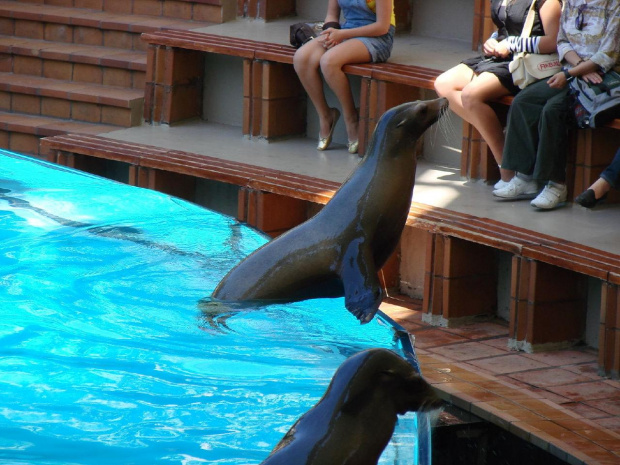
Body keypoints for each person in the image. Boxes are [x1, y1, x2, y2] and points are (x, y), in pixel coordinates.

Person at [494, 0, 620, 209]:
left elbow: (608, 54)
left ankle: (555, 184)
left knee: (553, 110)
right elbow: (562, 41)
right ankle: (525, 177)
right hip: (574, 70)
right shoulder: (572, 2)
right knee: (524, 100)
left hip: (603, 75)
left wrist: (573, 72)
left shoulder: (614, 5)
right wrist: (578, 66)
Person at [434, 0, 562, 189]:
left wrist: (511, 44)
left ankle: (507, 168)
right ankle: (507, 153)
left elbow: (553, 41)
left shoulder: (547, 2)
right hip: (498, 57)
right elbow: (505, 25)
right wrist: (492, 40)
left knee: (470, 95)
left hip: (525, 62)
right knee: (443, 84)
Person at [293, 0, 395, 154]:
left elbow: (382, 27)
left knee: (328, 61)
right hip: (345, 32)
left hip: (376, 38)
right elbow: (331, 15)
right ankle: (326, 115)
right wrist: (330, 32)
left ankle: (352, 118)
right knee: (302, 57)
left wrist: (341, 34)